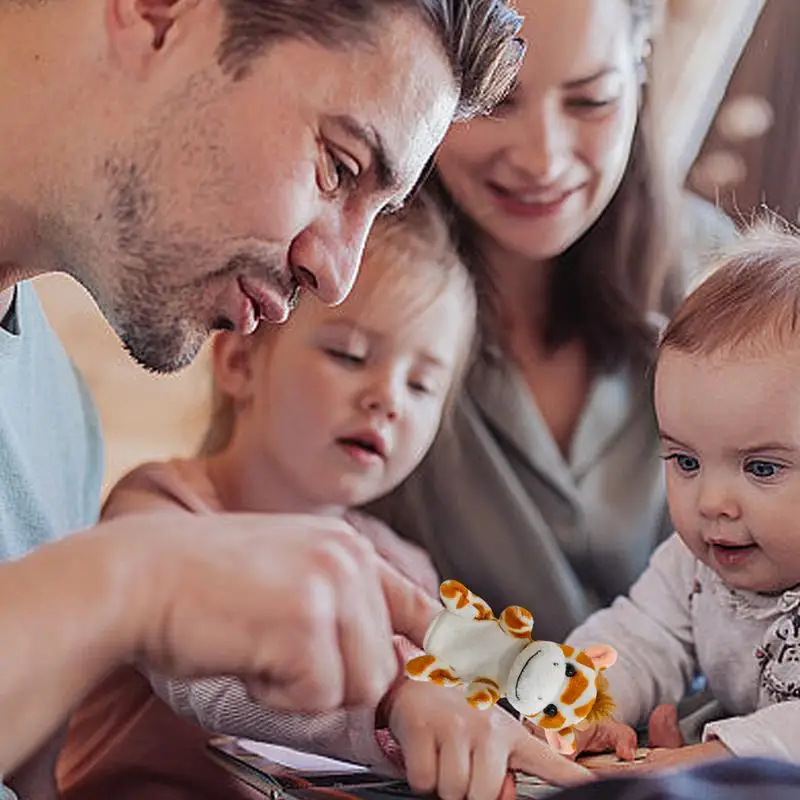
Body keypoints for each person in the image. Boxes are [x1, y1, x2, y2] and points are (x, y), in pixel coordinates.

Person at [0, 1, 526, 795]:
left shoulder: (63, 425)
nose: (336, 277)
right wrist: (133, 587)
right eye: (338, 166)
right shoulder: (136, 538)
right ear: (158, 14)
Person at [56, 194, 588, 800]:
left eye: (421, 385)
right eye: (349, 355)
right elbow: (204, 666)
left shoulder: (402, 567)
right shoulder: (162, 508)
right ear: (239, 363)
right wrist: (393, 698)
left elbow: (460, 716)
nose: (387, 398)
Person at [370, 0, 738, 641]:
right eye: (491, 101)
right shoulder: (343, 293)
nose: (542, 159)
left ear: (640, 65)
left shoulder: (722, 276)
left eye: (591, 101)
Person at [560, 228, 800, 771]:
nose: (712, 501)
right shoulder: (693, 567)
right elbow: (638, 636)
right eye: (686, 462)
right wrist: (582, 700)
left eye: (762, 467)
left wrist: (705, 762)